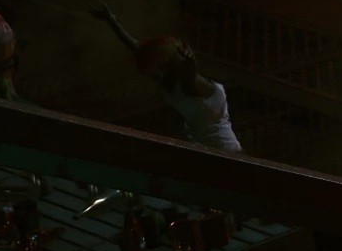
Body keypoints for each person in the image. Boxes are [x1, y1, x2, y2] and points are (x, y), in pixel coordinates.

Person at [91, 8, 239, 152]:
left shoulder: (169, 86)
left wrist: (112, 21)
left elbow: (137, 49)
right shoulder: (187, 84)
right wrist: (190, 60)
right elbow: (142, 52)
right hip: (220, 148)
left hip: (216, 148)